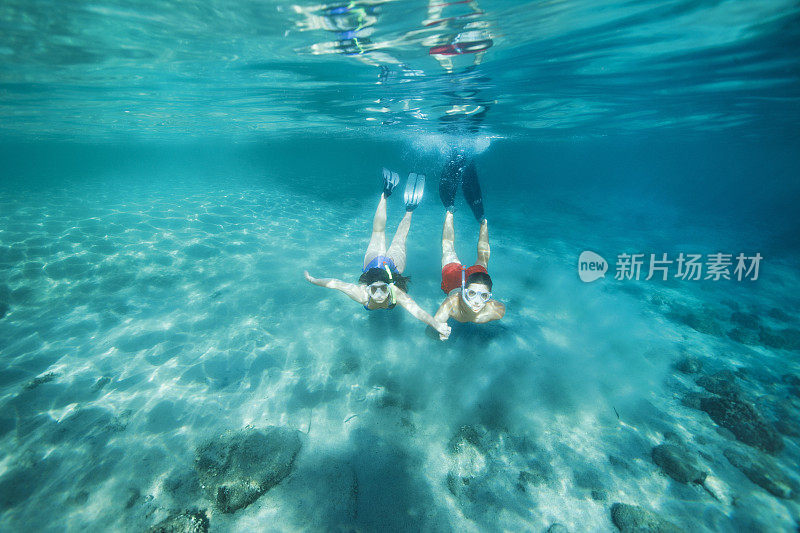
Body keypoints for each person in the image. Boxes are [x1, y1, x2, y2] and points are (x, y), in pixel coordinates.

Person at [305, 169, 452, 340]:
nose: (381, 294)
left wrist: (436, 324)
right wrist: (313, 280)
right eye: (375, 290)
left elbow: (416, 311)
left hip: (373, 263)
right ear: (368, 288)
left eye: (383, 289)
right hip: (393, 268)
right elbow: (335, 284)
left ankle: (386, 193)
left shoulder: (384, 293)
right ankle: (409, 209)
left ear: (389, 286)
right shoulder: (369, 293)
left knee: (378, 232)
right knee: (398, 239)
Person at [433, 156, 504, 336]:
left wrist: (440, 330)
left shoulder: (495, 311)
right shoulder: (452, 305)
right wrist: (439, 330)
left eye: (484, 297)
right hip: (460, 282)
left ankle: (450, 212)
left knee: (449, 249)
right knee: (482, 258)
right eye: (472, 295)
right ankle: (482, 222)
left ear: (489, 297)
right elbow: (434, 324)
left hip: (460, 280)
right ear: (465, 290)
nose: (477, 302)